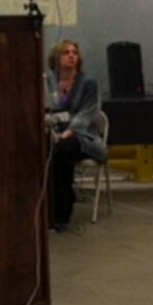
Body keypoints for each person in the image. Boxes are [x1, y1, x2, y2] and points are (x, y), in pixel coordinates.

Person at [45, 39, 107, 230]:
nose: (71, 56)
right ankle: (50, 208)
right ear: (56, 58)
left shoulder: (88, 83)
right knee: (47, 150)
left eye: (74, 53)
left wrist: (67, 133)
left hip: (83, 137)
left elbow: (87, 114)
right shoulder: (48, 81)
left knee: (62, 149)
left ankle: (62, 212)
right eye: (66, 53)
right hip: (54, 134)